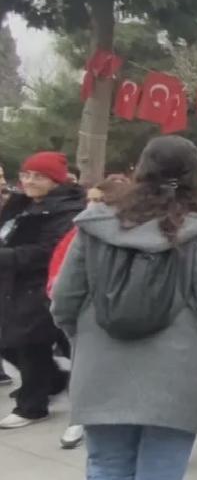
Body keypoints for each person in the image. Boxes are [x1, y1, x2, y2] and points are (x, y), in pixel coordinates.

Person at [50, 136, 197, 480]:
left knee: (103, 474)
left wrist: (82, 339)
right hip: (178, 372)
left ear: (141, 168)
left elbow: (64, 298)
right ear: (195, 175)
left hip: (102, 368)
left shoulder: (95, 222)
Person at [45, 177, 131, 451]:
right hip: (83, 320)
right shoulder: (80, 232)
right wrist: (67, 319)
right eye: (90, 199)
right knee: (85, 374)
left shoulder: (134, 235)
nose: (92, 206)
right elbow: (61, 275)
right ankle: (79, 419)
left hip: (120, 319)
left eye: (100, 201)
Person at [0, 151, 84, 429]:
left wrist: (6, 256)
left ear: (55, 180)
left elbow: (46, 251)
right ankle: (51, 380)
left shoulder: (67, 209)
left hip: (38, 286)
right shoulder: (20, 202)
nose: (29, 181)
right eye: (26, 174)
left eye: (38, 176)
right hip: (11, 282)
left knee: (29, 344)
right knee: (13, 343)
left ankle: (31, 407)